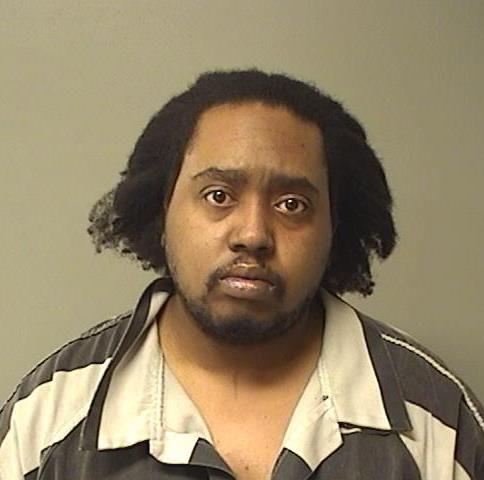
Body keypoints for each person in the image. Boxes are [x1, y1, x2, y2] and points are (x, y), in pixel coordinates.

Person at [0, 69, 482, 480]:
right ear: (162, 210)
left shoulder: (438, 425)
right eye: (218, 195)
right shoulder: (47, 417)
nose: (253, 234)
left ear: (336, 227)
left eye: (292, 204)